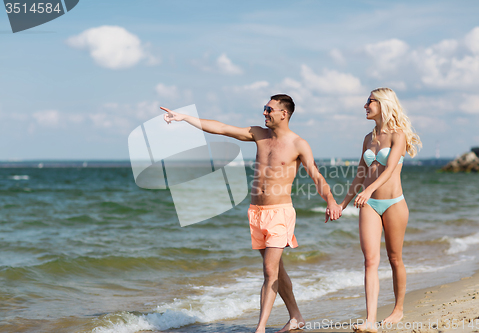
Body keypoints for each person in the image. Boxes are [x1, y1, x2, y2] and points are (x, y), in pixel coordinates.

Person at [161, 94, 343, 333]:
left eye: (269, 109)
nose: (265, 113)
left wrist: (330, 199)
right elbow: (222, 128)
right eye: (265, 108)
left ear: (283, 113)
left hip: (280, 213)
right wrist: (185, 117)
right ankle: (296, 316)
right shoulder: (259, 134)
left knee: (269, 270)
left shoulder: (298, 144)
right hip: (256, 212)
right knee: (276, 270)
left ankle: (260, 328)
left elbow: (316, 176)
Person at [338, 88, 421, 333]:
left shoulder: (399, 135)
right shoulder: (368, 138)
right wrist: (342, 204)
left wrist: (368, 190)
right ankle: (370, 320)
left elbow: (390, 169)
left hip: (394, 203)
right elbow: (360, 174)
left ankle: (398, 309)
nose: (365, 105)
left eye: (369, 101)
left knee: (394, 258)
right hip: (370, 205)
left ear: (383, 104)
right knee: (370, 261)